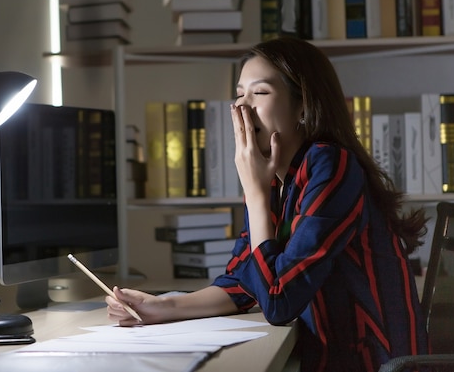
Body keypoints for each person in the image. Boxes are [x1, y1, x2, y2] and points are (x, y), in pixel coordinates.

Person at [106, 37, 429, 372]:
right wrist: (162, 306)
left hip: (370, 363)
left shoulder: (330, 165)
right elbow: (246, 280)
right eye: (239, 94)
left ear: (303, 106)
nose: (241, 107)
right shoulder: (277, 176)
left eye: (259, 93)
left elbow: (278, 300)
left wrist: (255, 194)